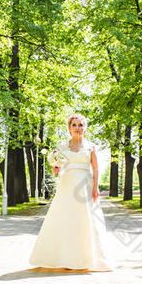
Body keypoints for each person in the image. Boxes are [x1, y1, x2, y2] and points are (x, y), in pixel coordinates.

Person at [29, 114, 113, 271]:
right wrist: (55, 169)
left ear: (85, 128)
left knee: (85, 220)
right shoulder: (62, 147)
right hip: (67, 185)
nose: (78, 128)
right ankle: (63, 258)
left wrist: (96, 187)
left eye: (81, 125)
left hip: (85, 186)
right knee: (65, 218)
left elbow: (95, 168)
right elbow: (57, 168)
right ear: (69, 128)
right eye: (74, 125)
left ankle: (86, 259)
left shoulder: (91, 147)